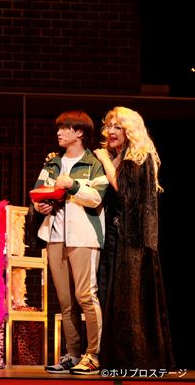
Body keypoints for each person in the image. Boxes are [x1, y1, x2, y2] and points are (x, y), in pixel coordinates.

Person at [94, 107, 174, 369]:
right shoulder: (117, 156)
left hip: (133, 241)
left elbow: (124, 192)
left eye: (117, 126)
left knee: (129, 300)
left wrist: (105, 161)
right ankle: (111, 356)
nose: (111, 131)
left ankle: (132, 358)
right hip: (115, 236)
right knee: (109, 296)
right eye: (109, 126)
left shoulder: (138, 157)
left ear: (129, 130)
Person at [33, 110, 108, 375]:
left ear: (79, 132)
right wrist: (41, 206)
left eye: (64, 128)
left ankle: (93, 355)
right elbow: (39, 192)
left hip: (84, 237)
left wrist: (72, 185)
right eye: (58, 128)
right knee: (65, 302)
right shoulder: (53, 163)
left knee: (86, 296)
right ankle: (74, 354)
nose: (59, 132)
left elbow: (96, 198)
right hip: (55, 237)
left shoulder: (93, 162)